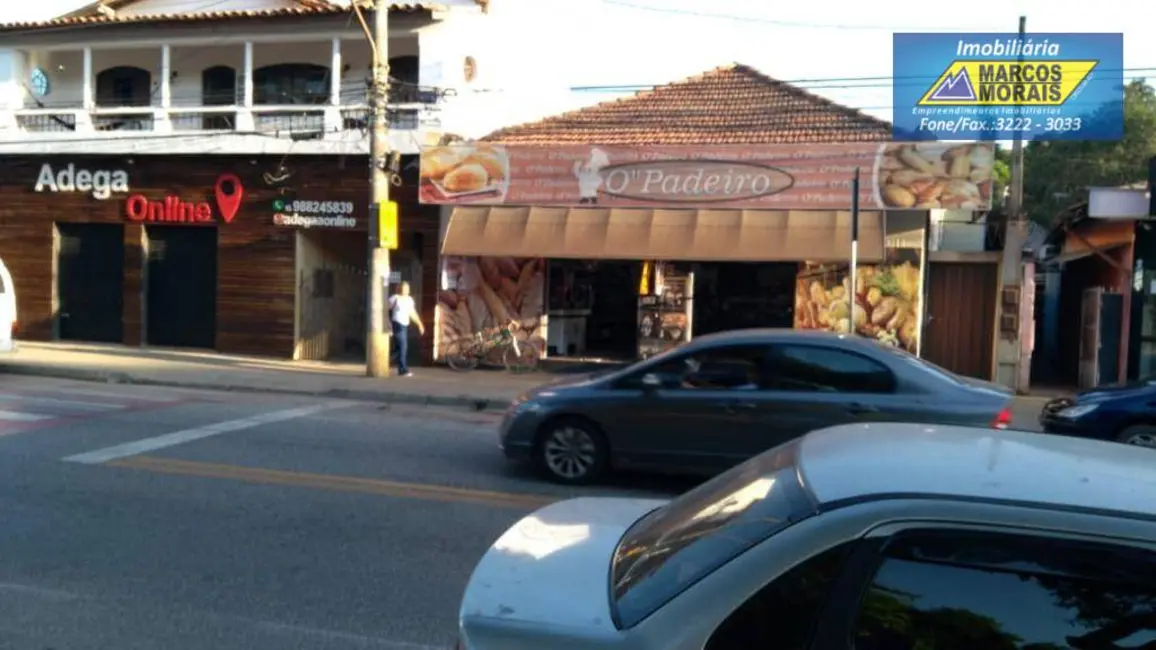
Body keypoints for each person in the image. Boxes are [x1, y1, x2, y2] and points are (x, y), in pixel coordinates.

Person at [388, 281, 424, 377]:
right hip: (397, 324)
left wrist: (420, 324)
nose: (406, 290)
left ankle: (385, 361)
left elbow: (412, 313)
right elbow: (386, 310)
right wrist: (387, 324)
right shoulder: (395, 298)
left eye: (407, 288)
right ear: (400, 289)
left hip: (404, 325)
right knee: (403, 347)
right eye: (404, 288)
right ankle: (403, 370)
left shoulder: (409, 300)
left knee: (398, 349)